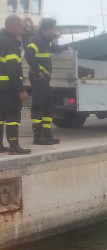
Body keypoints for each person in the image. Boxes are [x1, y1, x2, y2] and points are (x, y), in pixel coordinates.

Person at [25, 18, 69, 145]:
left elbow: (54, 48)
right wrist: (38, 70)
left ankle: (47, 134)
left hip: (44, 78)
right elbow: (29, 54)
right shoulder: (37, 39)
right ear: (48, 29)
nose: (54, 31)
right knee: (38, 105)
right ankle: (37, 137)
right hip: (38, 77)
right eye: (54, 29)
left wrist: (65, 47)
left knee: (49, 104)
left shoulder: (46, 41)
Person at [0, 15, 31, 155]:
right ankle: (14, 145)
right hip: (9, 86)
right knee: (13, 115)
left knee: (0, 116)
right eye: (19, 27)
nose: (20, 31)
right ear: (11, 26)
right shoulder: (11, 43)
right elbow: (13, 69)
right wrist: (20, 89)